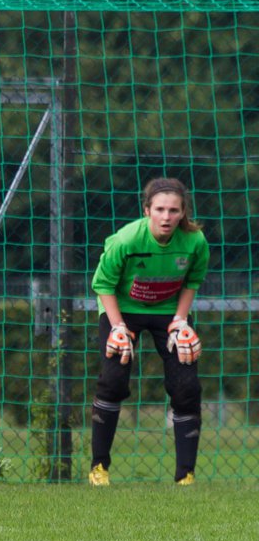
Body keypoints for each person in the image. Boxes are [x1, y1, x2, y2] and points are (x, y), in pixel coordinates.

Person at [88, 176, 209, 486]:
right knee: (113, 380)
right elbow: (102, 284)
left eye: (173, 210)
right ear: (147, 211)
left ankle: (186, 475)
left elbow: (192, 282)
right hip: (123, 310)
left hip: (168, 313)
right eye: (159, 209)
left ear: (183, 213)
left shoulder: (195, 243)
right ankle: (99, 468)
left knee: (186, 387)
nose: (166, 217)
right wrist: (117, 327)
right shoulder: (127, 240)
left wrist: (181, 320)